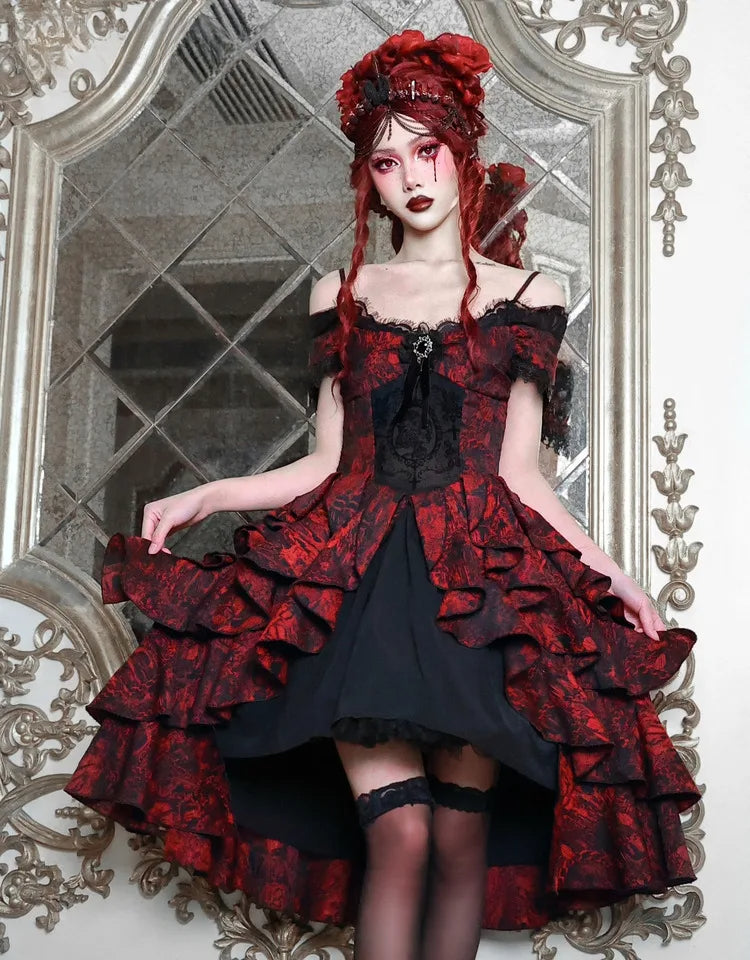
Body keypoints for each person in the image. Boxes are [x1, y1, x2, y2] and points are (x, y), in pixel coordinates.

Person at [64, 29, 701, 960]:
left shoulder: (532, 293)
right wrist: (208, 496)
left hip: (476, 595)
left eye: (427, 149)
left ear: (463, 150)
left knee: (459, 840)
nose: (411, 176)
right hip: (358, 592)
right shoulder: (342, 291)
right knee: (398, 833)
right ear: (368, 175)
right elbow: (327, 461)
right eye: (386, 160)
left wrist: (615, 581)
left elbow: (521, 477)